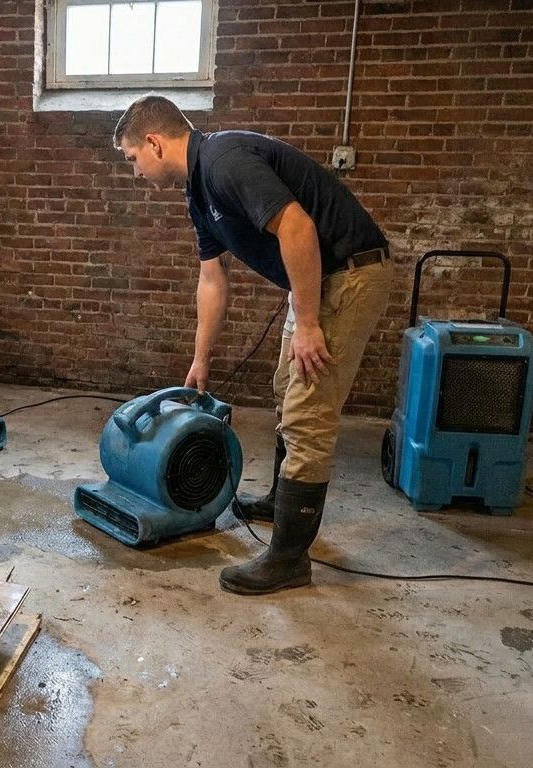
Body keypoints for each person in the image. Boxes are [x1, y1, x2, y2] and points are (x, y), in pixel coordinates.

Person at [114, 95, 393, 595]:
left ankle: (289, 560)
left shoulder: (224, 161)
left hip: (350, 273)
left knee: (309, 409)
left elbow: (296, 225)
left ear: (154, 143)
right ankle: (278, 499)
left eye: (133, 159)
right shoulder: (199, 192)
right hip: (315, 280)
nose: (136, 173)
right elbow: (212, 279)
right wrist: (201, 360)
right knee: (286, 387)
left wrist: (307, 322)